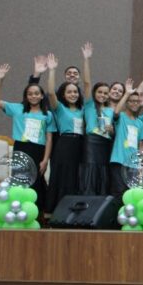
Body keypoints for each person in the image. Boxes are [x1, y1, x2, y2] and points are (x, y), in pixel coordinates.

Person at [0, 64, 55, 212]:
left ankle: (36, 214)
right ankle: (17, 211)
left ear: (41, 96)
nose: (33, 96)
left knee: (37, 182)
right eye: (30, 94)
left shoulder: (48, 115)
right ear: (26, 96)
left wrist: (45, 160)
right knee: (20, 181)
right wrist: (0, 79)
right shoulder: (18, 109)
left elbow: (50, 139)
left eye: (36, 93)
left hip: (39, 150)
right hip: (21, 147)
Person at [44, 53, 85, 213]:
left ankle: (72, 210)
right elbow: (51, 93)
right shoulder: (60, 108)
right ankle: (55, 210)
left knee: (75, 177)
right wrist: (52, 70)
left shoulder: (82, 109)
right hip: (64, 145)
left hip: (79, 145)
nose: (73, 94)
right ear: (64, 94)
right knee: (61, 176)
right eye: (69, 92)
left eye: (75, 92)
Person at [77, 43, 115, 195]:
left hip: (105, 144)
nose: (103, 95)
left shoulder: (110, 110)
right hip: (91, 142)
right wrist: (86, 60)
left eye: (106, 93)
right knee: (91, 172)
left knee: (102, 172)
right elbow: (86, 83)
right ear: (94, 93)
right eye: (100, 92)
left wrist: (112, 130)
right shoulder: (89, 105)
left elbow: (112, 131)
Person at [109, 79, 143, 206]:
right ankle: (115, 222)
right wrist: (126, 93)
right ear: (127, 103)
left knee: (131, 193)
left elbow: (141, 146)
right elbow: (116, 112)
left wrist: (141, 166)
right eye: (132, 101)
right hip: (118, 160)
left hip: (133, 164)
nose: (134, 103)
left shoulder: (140, 122)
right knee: (118, 192)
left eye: (137, 101)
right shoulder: (122, 117)